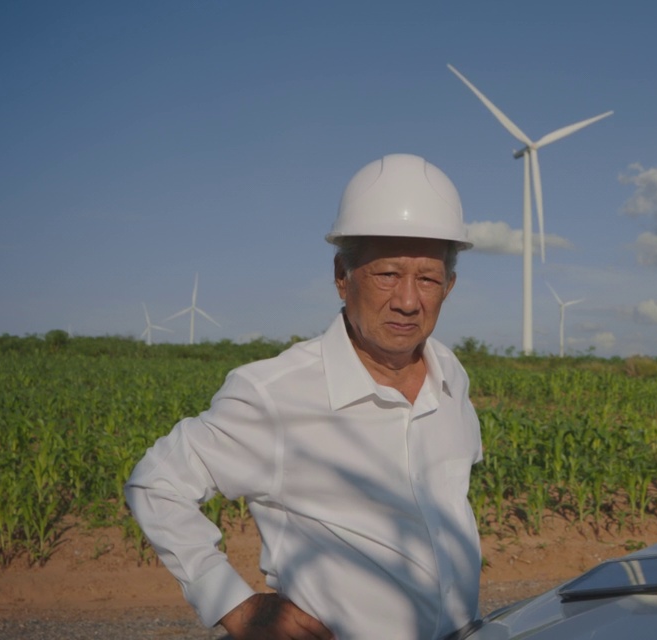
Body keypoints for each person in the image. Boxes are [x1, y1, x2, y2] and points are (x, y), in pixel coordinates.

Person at [125, 153, 483, 640]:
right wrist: (235, 603)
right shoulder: (276, 393)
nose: (407, 300)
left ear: (450, 286)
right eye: (387, 274)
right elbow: (157, 483)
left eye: (428, 278)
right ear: (342, 275)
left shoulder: (451, 377)